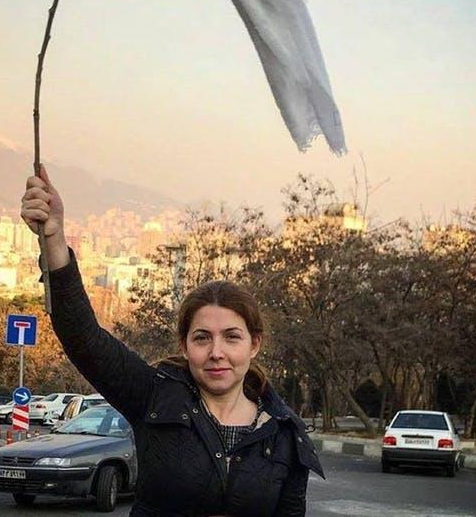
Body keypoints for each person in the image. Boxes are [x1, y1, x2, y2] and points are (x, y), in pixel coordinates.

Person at [21, 166, 324, 516]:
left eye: (231, 337)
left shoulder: (283, 433)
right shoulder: (155, 397)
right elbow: (83, 337)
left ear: (254, 345)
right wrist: (55, 241)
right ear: (184, 346)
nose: (216, 353)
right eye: (201, 338)